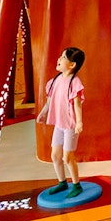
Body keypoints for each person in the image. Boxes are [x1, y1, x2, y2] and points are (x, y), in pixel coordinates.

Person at [36, 46, 86, 198]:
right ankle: (62, 182)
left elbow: (77, 104)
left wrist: (79, 122)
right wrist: (43, 113)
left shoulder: (74, 82)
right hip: (59, 124)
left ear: (72, 65)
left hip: (70, 125)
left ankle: (76, 185)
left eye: (63, 57)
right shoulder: (55, 80)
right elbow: (49, 101)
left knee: (67, 157)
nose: (59, 59)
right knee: (55, 156)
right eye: (60, 56)